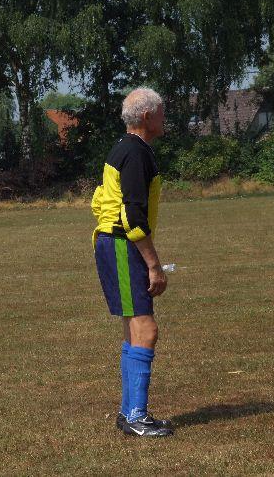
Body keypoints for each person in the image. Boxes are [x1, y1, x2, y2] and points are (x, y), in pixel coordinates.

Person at [91, 88, 173, 437]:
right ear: (147, 117)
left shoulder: (124, 148)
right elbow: (132, 216)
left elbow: (103, 202)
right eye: (162, 112)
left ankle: (129, 413)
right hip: (122, 245)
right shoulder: (136, 153)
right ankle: (137, 416)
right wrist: (153, 264)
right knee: (146, 329)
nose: (165, 119)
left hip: (113, 244)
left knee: (133, 330)